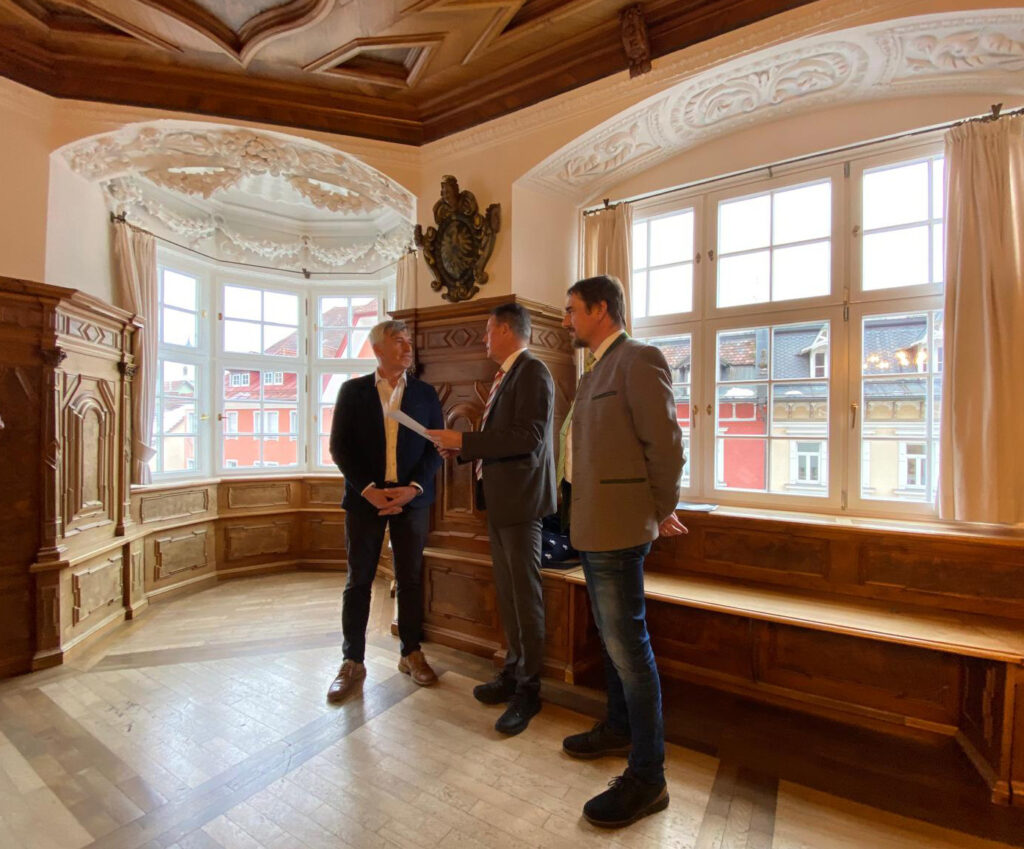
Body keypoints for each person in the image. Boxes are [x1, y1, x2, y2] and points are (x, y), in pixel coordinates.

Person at [559, 275, 687, 828]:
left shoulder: (639, 359)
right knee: (612, 643)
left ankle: (648, 777)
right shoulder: (596, 369)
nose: (566, 319)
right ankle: (617, 728)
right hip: (591, 526)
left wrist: (656, 510)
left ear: (600, 309)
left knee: (629, 650)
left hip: (619, 528)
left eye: (572, 310)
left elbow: (667, 445)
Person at [426, 303, 555, 736]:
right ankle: (513, 673)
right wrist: (461, 448)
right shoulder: (507, 375)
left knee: (525, 597)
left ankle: (529, 690)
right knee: (510, 595)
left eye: (487, 331)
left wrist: (464, 440)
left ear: (504, 329)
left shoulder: (533, 371)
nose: (484, 339)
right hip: (501, 502)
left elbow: (527, 438)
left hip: (522, 503)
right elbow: (501, 439)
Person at [326, 320, 443, 703]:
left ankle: (411, 653)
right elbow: (340, 448)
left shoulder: (425, 394)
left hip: (412, 501)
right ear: (377, 349)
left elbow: (435, 448)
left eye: (409, 341)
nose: (407, 347)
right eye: (398, 341)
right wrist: (368, 491)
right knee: (358, 581)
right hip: (366, 501)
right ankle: (352, 662)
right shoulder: (353, 391)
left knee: (409, 579)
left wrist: (413, 489)